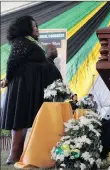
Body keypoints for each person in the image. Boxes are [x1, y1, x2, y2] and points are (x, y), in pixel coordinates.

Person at [0, 16, 47, 164]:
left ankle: (20, 154)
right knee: (20, 118)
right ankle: (13, 156)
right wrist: (7, 78)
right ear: (25, 28)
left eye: (37, 25)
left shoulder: (32, 41)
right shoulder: (21, 40)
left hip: (32, 83)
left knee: (26, 118)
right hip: (22, 85)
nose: (37, 28)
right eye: (34, 26)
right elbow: (12, 60)